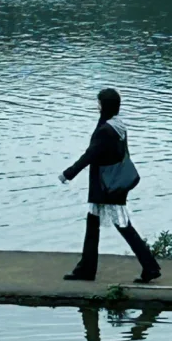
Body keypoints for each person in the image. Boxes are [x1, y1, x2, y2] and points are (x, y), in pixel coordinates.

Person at [59, 87, 161, 283]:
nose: (96, 106)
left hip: (107, 187)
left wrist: (68, 174)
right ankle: (86, 270)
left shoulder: (105, 130)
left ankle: (150, 267)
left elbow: (90, 155)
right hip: (111, 184)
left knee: (123, 227)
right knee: (94, 225)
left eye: (98, 103)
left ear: (103, 106)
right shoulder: (118, 126)